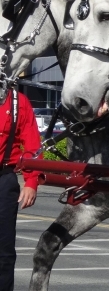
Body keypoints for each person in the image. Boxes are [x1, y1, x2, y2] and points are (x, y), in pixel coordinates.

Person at [0, 87, 41, 290]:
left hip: (4, 180)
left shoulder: (18, 101)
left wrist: (31, 181)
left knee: (4, 251)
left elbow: (33, 145)